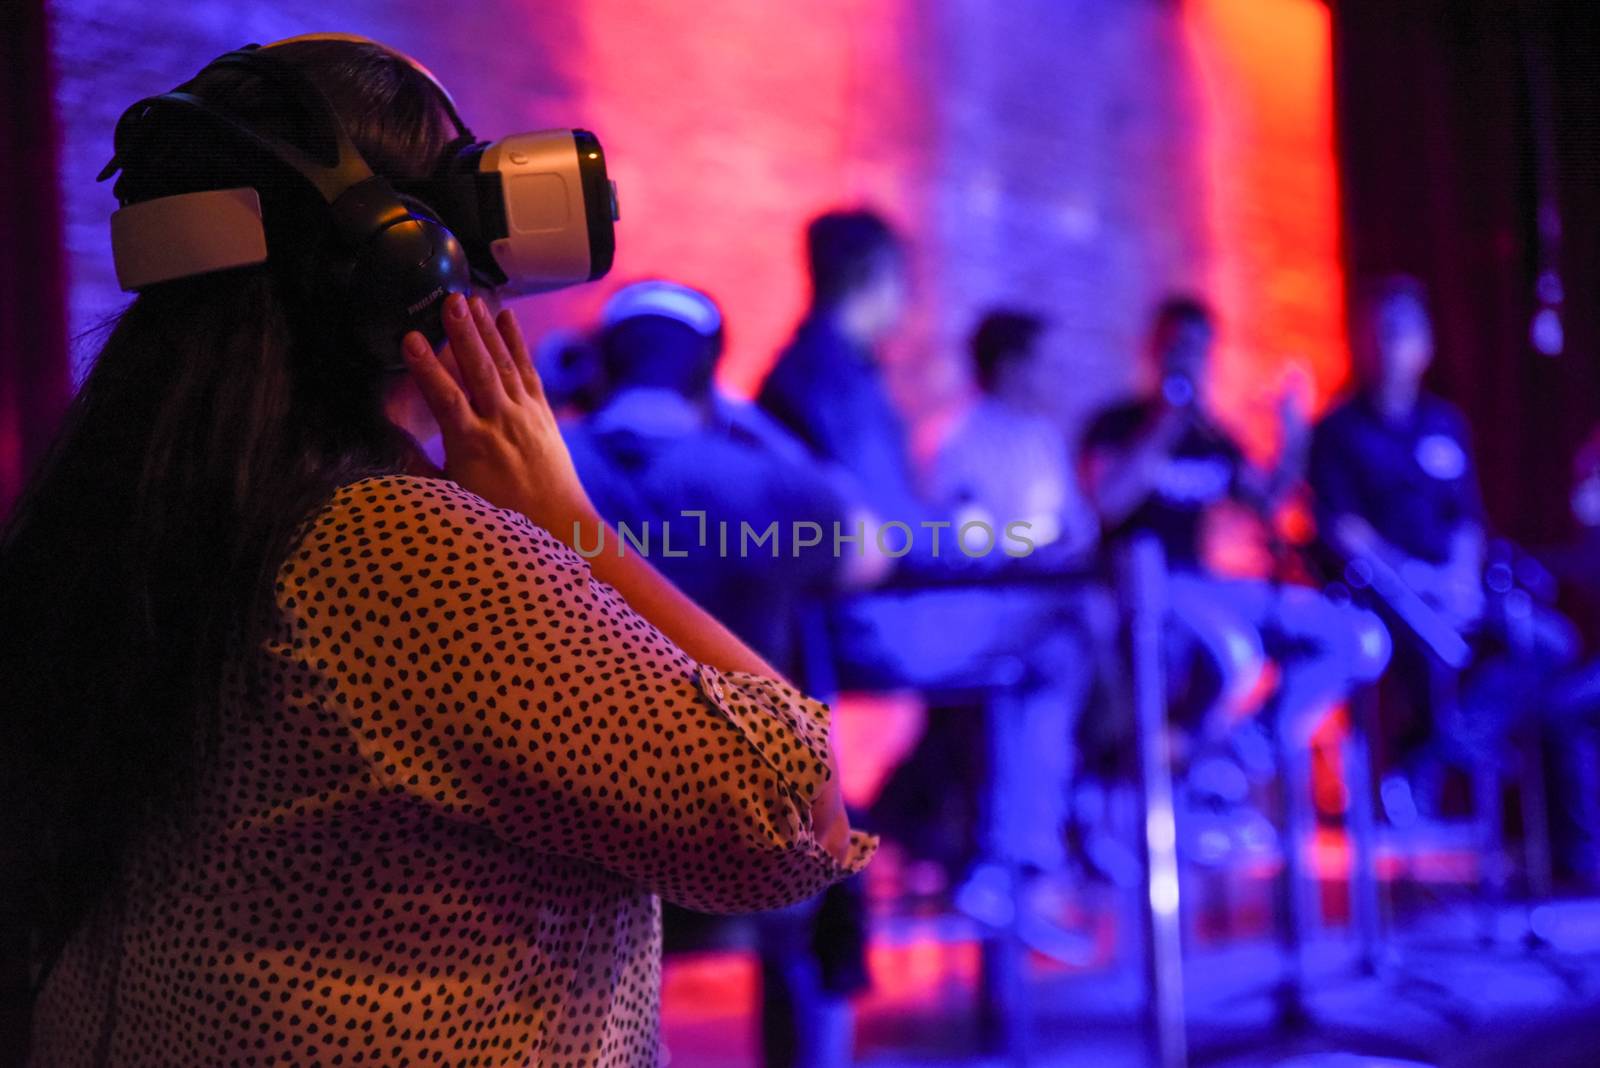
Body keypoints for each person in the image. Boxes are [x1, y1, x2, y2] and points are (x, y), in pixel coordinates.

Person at [2, 39, 870, 1067]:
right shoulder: (396, 553)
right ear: (410, 264)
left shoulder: (113, 528)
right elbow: (793, 817)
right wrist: (562, 521)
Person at [1311, 276, 1597, 874]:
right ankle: (1437, 755)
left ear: (1426, 346)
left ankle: (1435, 752)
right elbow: (1344, 531)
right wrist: (1416, 579)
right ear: (1362, 340)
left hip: (1453, 588)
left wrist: (1460, 581)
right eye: (1380, 333)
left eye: (1403, 334)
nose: (1391, 348)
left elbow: (1468, 521)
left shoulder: (1445, 424)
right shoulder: (1339, 430)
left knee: (1547, 641)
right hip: (1383, 595)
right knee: (1436, 648)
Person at [1082, 296, 1389, 759]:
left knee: (1358, 637)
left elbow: (1267, 502)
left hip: (1205, 586)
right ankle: (1193, 766)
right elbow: (1106, 503)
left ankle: (1241, 755)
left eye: (1199, 350)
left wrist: (1293, 435)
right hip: (1140, 587)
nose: (1189, 360)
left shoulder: (1212, 437)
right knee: (1235, 653)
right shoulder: (1117, 425)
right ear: (1155, 349)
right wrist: (1164, 425)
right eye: (1178, 347)